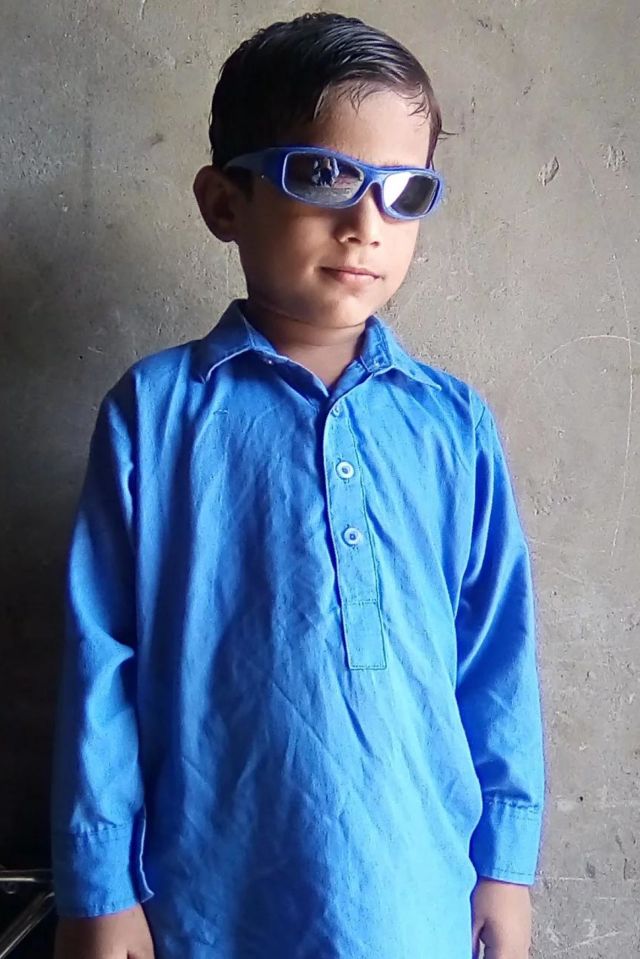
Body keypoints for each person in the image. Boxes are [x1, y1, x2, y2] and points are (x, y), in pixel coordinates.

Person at [51, 12, 545, 959]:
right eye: (322, 176)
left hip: (415, 892)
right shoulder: (155, 412)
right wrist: (99, 885)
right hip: (206, 897)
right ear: (223, 201)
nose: (367, 224)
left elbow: (496, 660)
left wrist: (506, 865)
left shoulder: (453, 425)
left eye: (404, 191)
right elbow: (99, 662)